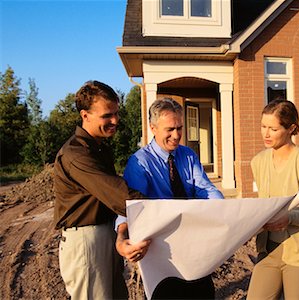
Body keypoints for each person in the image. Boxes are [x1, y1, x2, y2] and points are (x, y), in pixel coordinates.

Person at [116, 98, 224, 299]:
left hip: (193, 244)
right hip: (162, 251)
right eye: (170, 129)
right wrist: (122, 237)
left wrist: (224, 210)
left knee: (203, 293)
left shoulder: (188, 156)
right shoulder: (139, 163)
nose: (176, 136)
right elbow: (130, 207)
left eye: (180, 128)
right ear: (153, 128)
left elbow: (205, 189)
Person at [53, 80, 150, 300]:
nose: (115, 120)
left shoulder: (97, 147)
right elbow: (119, 195)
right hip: (87, 242)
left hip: (104, 235)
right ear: (85, 115)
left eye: (116, 113)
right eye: (107, 115)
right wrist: (161, 207)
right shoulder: (76, 154)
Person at [247, 100, 299, 300]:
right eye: (263, 126)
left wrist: (290, 218)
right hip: (268, 252)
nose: (266, 134)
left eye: (273, 129)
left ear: (291, 128)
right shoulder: (258, 162)